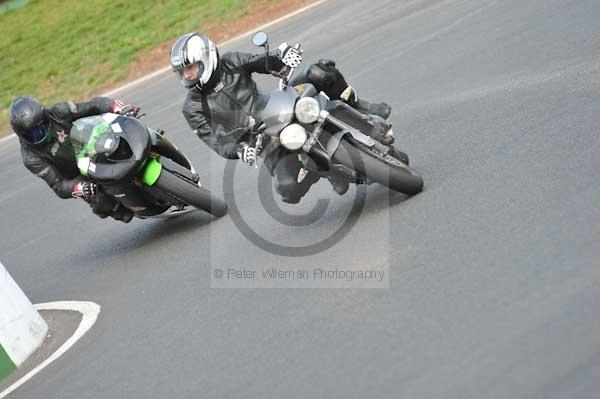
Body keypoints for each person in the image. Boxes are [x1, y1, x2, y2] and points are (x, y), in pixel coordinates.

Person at [171, 32, 393, 204]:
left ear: (206, 58)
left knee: (320, 71)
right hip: (262, 141)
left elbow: (260, 61)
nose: (187, 75)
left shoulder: (230, 61)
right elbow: (216, 141)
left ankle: (360, 107)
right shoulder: (191, 107)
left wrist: (281, 56)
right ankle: (328, 171)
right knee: (288, 189)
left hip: (277, 106)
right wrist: (239, 149)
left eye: (190, 68)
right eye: (183, 72)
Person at [9, 95, 139, 222]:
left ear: (45, 118)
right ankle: (126, 208)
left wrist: (118, 107)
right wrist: (80, 188)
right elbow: (58, 185)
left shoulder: (60, 111)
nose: (38, 135)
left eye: (41, 129)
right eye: (31, 134)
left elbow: (94, 105)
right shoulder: (31, 158)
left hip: (95, 146)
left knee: (129, 129)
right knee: (104, 205)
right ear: (20, 134)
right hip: (80, 174)